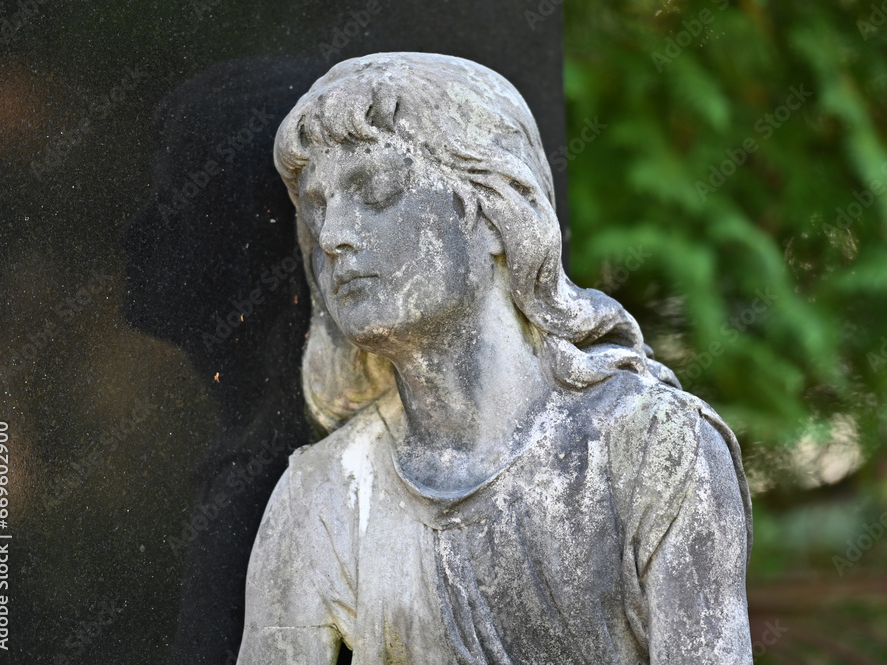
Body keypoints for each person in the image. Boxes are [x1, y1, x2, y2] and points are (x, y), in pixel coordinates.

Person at [238, 52, 752, 665]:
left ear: (488, 209)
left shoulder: (656, 450)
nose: (334, 235)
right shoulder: (320, 497)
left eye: (374, 191)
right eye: (317, 209)